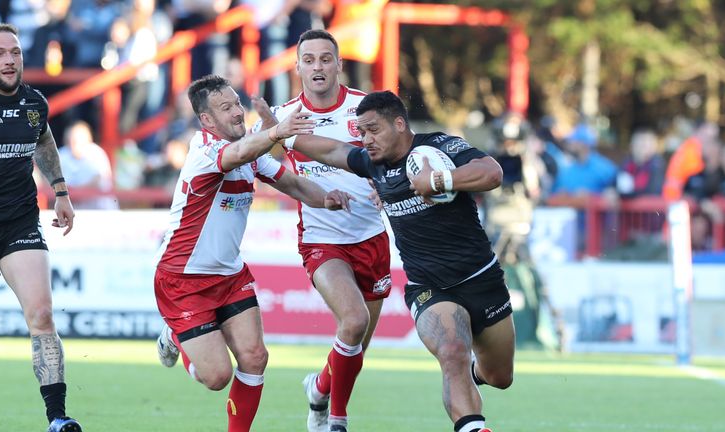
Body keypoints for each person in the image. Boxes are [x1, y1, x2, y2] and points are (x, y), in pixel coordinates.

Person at [290, 90, 514, 432]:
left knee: (499, 376)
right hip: (430, 288)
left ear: (399, 124)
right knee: (453, 351)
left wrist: (438, 180)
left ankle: (468, 378)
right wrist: (282, 134)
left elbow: (492, 173)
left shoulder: (438, 147)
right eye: (361, 132)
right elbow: (334, 149)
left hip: (482, 279)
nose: (366, 140)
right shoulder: (372, 163)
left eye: (373, 130)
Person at [153, 74, 352, 432]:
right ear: (207, 120)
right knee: (216, 377)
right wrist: (276, 132)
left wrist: (325, 198)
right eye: (225, 107)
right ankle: (173, 335)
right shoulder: (206, 151)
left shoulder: (248, 149)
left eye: (236, 103)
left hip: (229, 275)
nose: (236, 112)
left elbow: (289, 182)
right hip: (183, 278)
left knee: (256, 357)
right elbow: (240, 153)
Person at [262, 29, 392, 432]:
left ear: (339, 64)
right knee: (352, 322)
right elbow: (255, 162)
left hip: (372, 239)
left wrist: (385, 185)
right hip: (322, 239)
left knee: (357, 345)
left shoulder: (365, 109)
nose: (317, 66)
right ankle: (334, 419)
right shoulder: (282, 118)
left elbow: (394, 158)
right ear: (297, 67)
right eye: (309, 59)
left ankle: (319, 388)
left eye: (325, 58)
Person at [0, 24, 80, 432]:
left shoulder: (34, 102)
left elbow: (43, 141)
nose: (9, 60)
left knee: (42, 315)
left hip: (18, 224)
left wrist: (60, 190)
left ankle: (58, 418)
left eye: (14, 52)